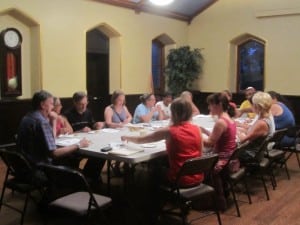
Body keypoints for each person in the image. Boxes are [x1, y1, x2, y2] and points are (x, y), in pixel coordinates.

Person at [17, 90, 89, 166]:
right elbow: (54, 153)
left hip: (25, 165)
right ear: (42, 105)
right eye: (51, 104)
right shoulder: (42, 122)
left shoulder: (26, 117)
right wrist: (78, 144)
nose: (53, 107)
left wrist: (53, 121)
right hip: (41, 167)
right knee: (74, 157)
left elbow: (51, 140)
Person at [201, 92, 237, 210]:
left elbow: (209, 143)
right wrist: (205, 131)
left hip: (220, 159)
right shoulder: (229, 119)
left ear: (219, 105)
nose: (208, 108)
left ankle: (205, 198)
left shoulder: (220, 122)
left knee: (192, 159)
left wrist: (196, 134)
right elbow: (218, 138)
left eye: (210, 105)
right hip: (229, 156)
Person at [238, 92, 275, 164]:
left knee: (225, 152)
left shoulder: (261, 123)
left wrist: (237, 132)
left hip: (250, 154)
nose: (251, 107)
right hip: (256, 152)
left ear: (257, 106)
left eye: (252, 104)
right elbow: (251, 133)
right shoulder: (266, 117)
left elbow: (242, 141)